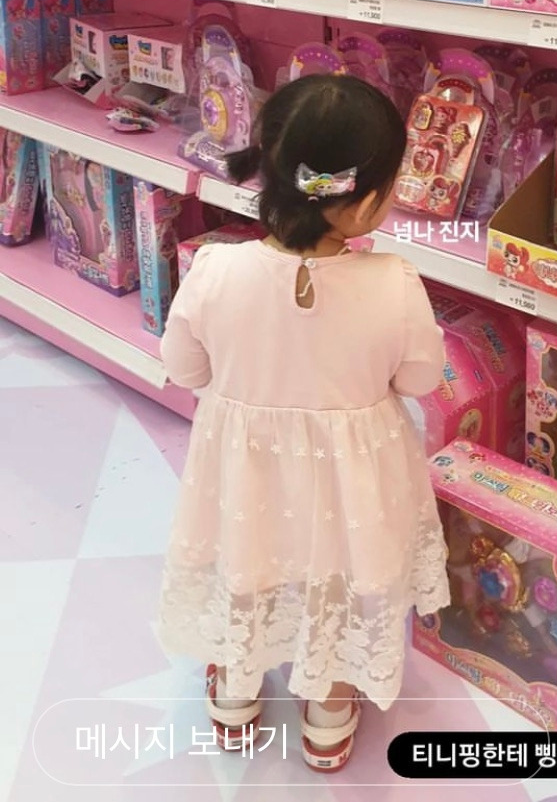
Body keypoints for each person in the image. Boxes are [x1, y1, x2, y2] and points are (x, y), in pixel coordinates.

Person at [158, 74, 449, 771]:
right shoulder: (395, 283)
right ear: (367, 198)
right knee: (341, 577)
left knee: (245, 557)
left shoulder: (214, 270)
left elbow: (185, 368)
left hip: (244, 473)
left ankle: (235, 695)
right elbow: (420, 379)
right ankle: (328, 711)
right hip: (354, 478)